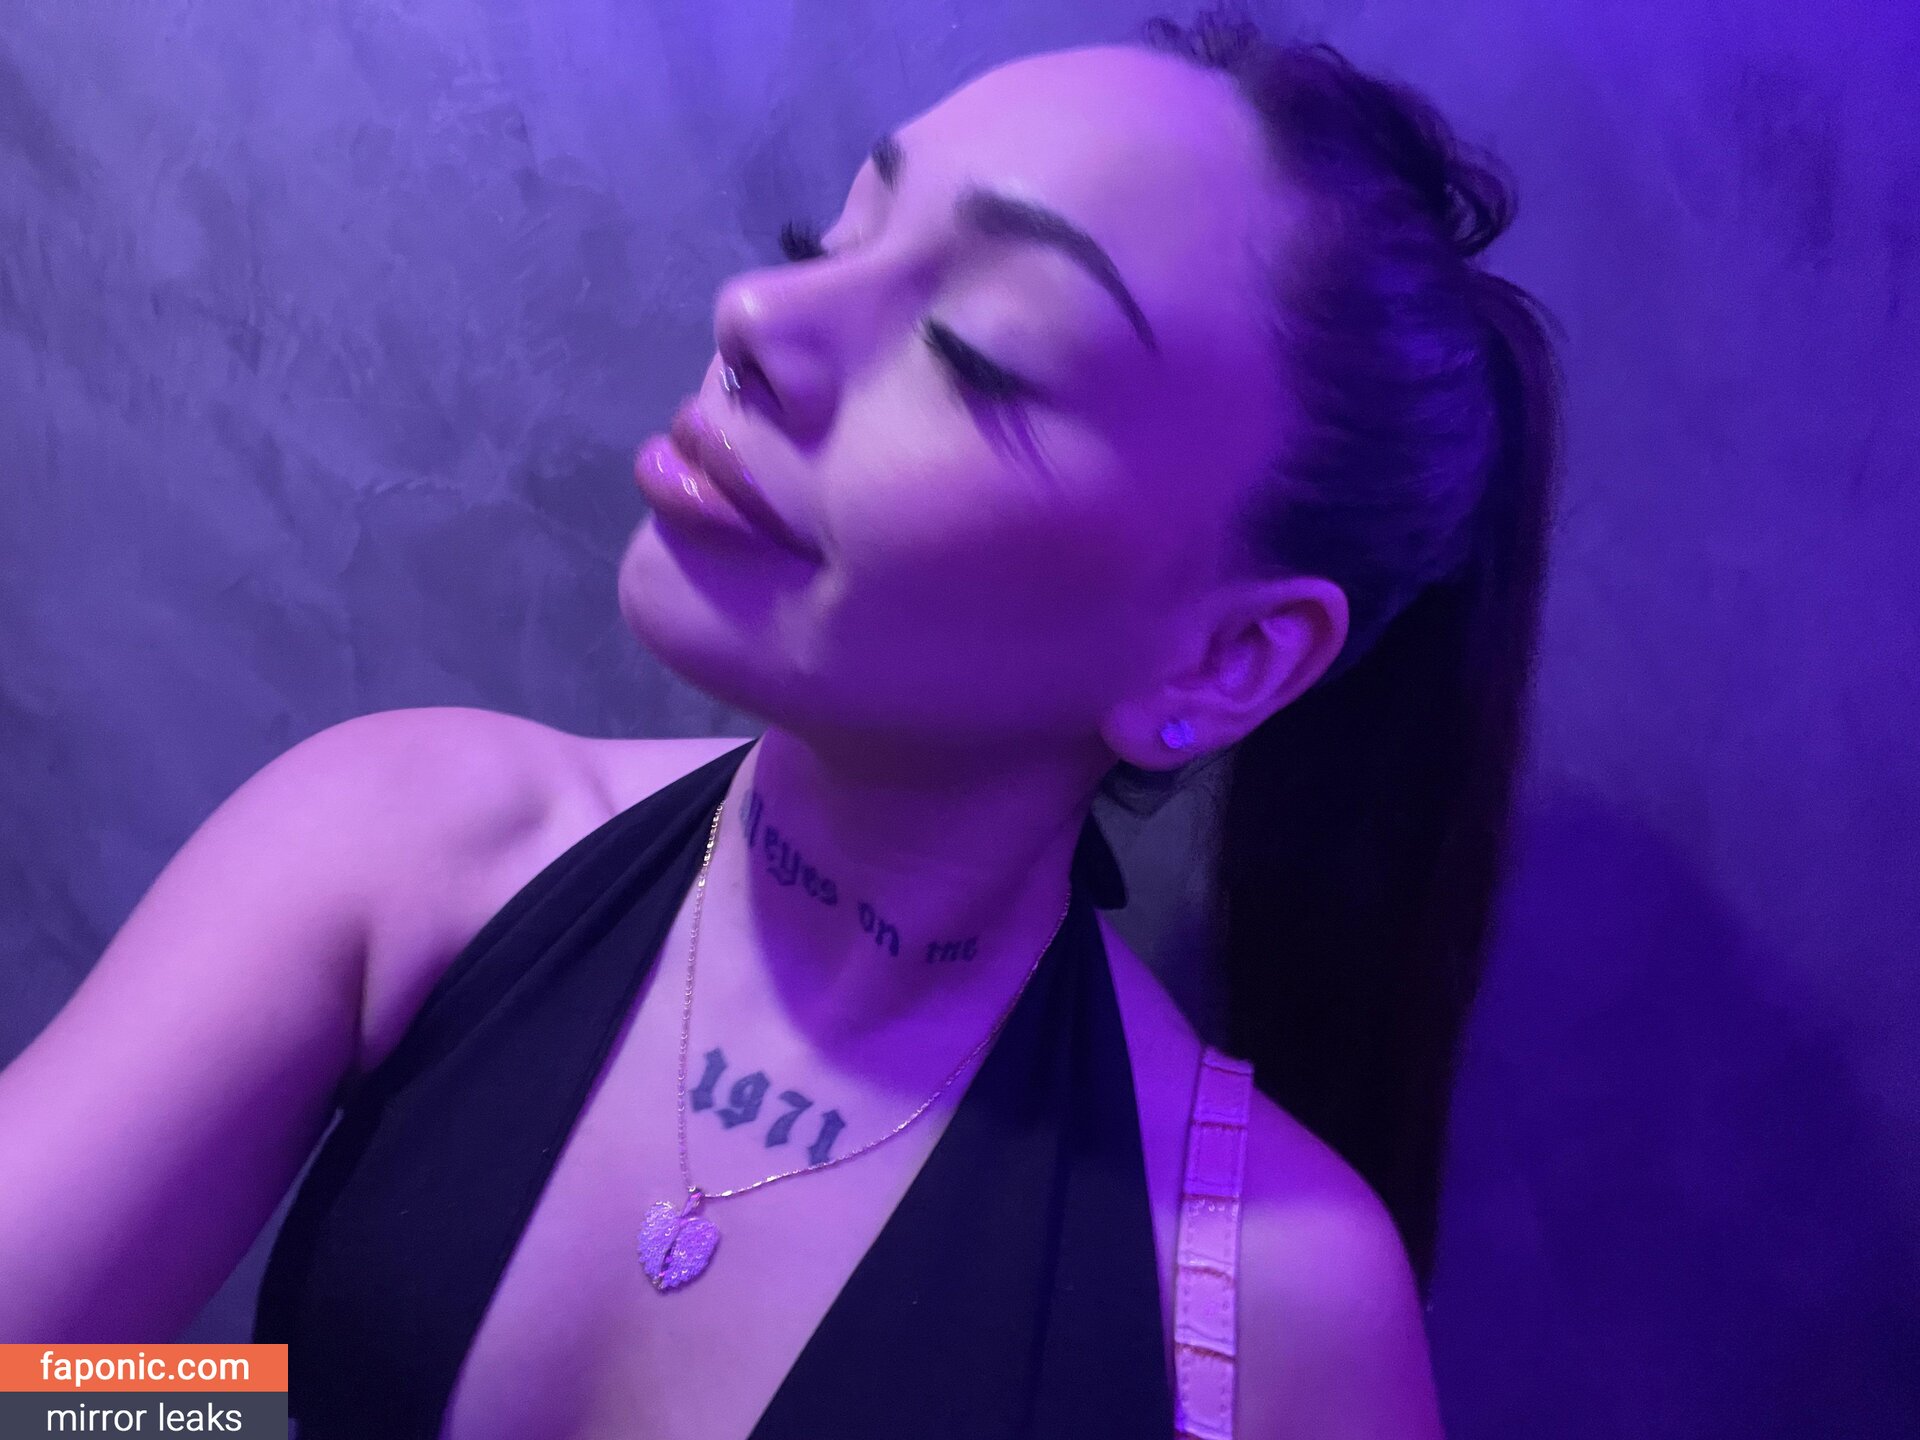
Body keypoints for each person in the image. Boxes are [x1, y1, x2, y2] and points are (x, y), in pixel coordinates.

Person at [0, 6, 1561, 1437]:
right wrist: (248, 1421)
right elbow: (34, 1387)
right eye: (830, 238)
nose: (755, 312)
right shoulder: (407, 845)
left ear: (1225, 660)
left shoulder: (1265, 1305)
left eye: (982, 351)